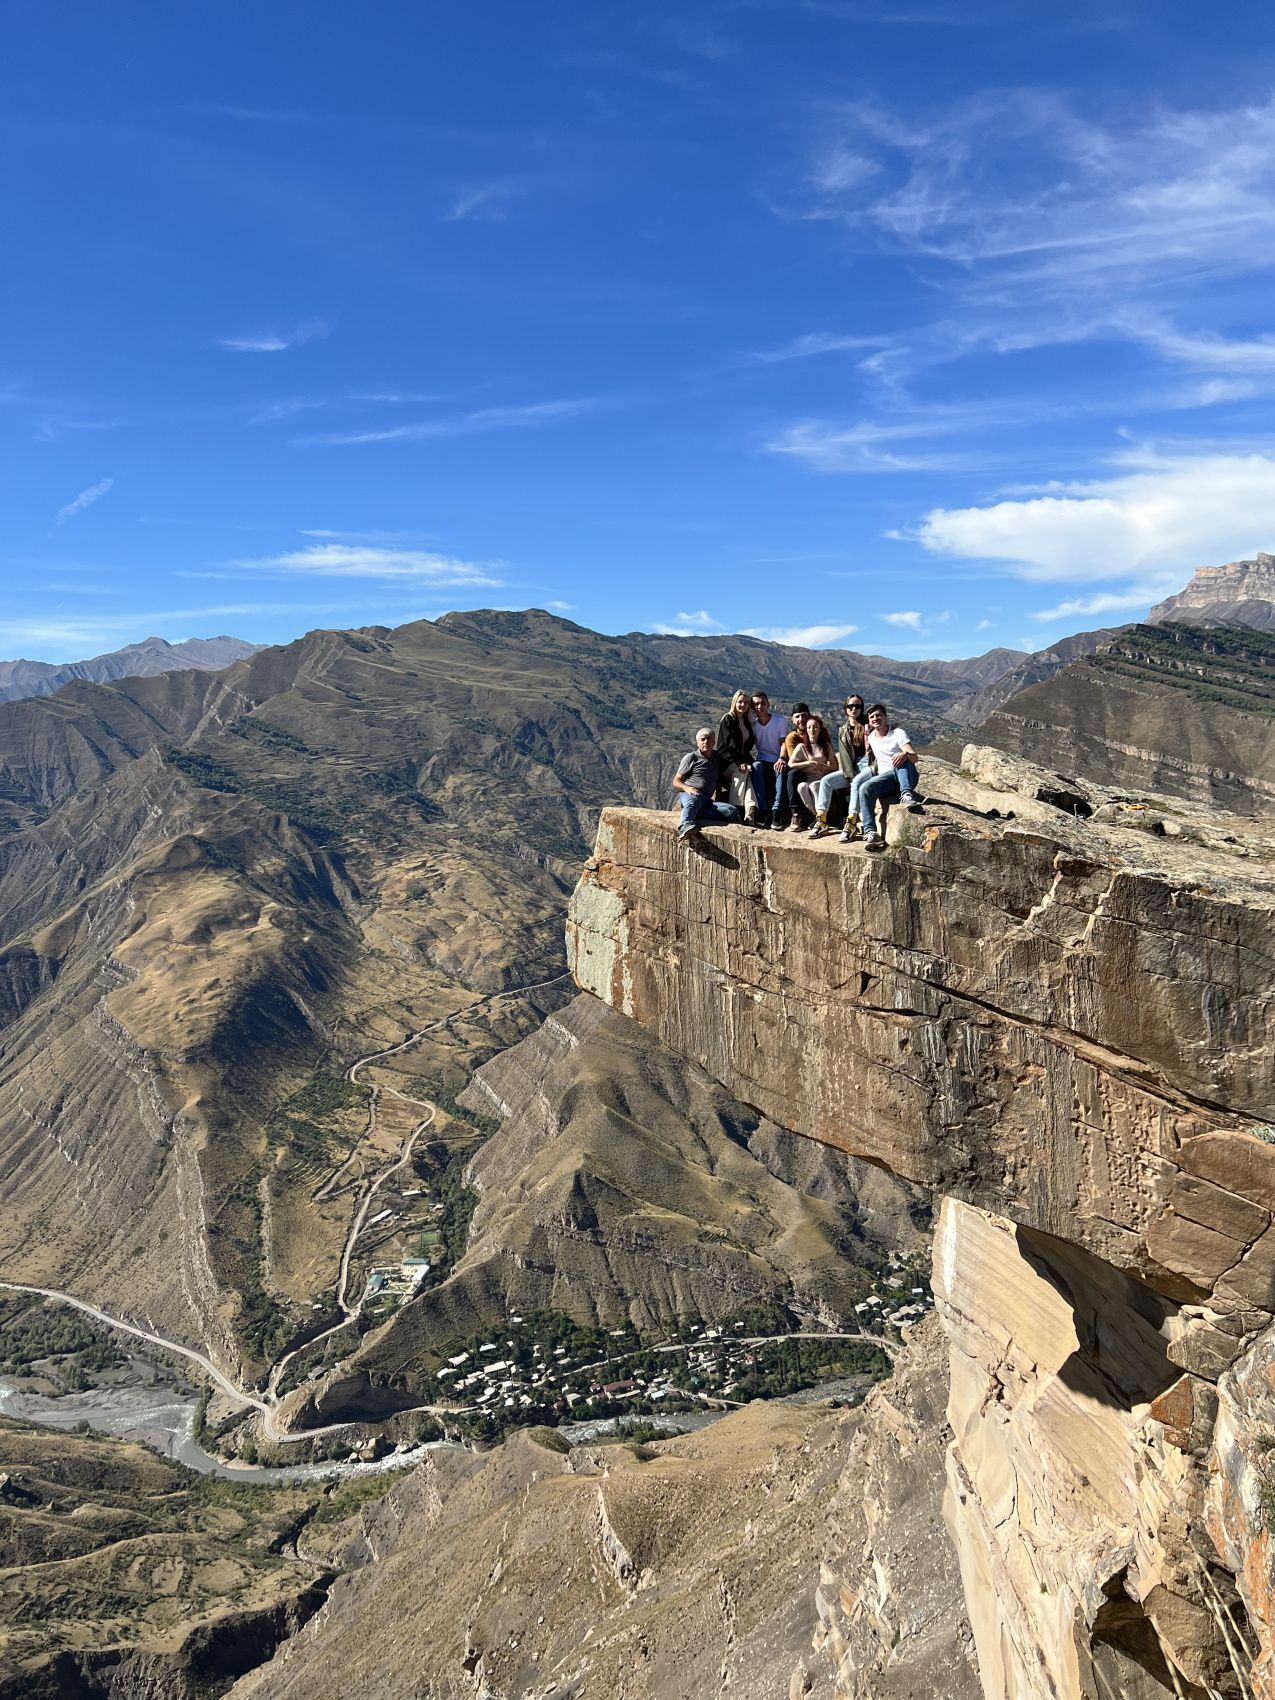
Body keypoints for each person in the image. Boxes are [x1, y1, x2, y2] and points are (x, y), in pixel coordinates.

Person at [857, 704, 923, 853]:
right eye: (872, 716)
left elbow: (914, 757)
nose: (876, 718)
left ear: (886, 717)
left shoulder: (898, 733)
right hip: (887, 779)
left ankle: (906, 795)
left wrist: (904, 754)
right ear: (869, 720)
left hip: (906, 775)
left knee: (900, 758)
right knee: (864, 788)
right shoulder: (872, 737)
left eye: (879, 715)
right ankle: (871, 832)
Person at [810, 695, 869, 838]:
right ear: (846, 708)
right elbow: (845, 755)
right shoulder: (843, 730)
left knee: (855, 783)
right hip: (852, 768)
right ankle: (822, 821)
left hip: (868, 766)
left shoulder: (869, 725)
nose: (854, 709)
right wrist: (850, 775)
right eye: (850, 706)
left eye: (858, 706)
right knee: (826, 782)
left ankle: (851, 823)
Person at [673, 727, 742, 843]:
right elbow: (676, 781)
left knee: (732, 811)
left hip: (706, 799)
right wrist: (687, 788)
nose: (706, 742)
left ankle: (695, 811)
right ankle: (685, 825)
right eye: (703, 739)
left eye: (709, 739)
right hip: (692, 794)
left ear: (714, 742)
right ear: (697, 742)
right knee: (693, 802)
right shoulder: (691, 758)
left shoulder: (717, 757)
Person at [715, 690, 760, 825]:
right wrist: (740, 762)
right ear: (734, 702)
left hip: (741, 760)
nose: (743, 705)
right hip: (726, 761)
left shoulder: (747, 722)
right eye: (740, 701)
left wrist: (747, 762)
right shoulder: (728, 719)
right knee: (742, 772)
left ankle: (750, 812)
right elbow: (729, 745)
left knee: (751, 773)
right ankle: (737, 810)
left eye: (746, 702)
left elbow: (746, 748)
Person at [787, 713, 837, 828]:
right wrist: (809, 763)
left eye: (815, 727)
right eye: (809, 727)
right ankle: (818, 817)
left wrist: (822, 766)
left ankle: (820, 819)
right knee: (801, 787)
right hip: (809, 777)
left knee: (814, 786)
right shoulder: (802, 747)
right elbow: (791, 763)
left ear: (819, 730)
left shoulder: (825, 746)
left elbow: (834, 766)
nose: (812, 730)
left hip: (822, 778)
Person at [749, 689, 788, 828]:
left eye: (762, 703)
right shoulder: (753, 726)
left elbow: (784, 742)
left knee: (781, 770)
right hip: (762, 759)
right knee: (755, 767)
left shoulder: (779, 720)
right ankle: (763, 809)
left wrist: (782, 758)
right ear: (752, 707)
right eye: (756, 704)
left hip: (778, 758)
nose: (760, 707)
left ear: (768, 704)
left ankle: (776, 811)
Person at [777, 703, 810, 827]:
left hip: (816, 768)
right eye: (797, 717)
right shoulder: (792, 737)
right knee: (791, 775)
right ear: (793, 719)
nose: (801, 719)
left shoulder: (818, 731)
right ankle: (795, 813)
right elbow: (794, 760)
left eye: (804, 716)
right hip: (800, 769)